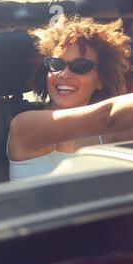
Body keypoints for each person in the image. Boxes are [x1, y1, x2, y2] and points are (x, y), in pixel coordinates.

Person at [8, 15, 133, 181]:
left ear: (101, 80)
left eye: (80, 67)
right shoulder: (24, 125)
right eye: (56, 64)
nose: (64, 74)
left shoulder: (110, 136)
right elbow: (108, 116)